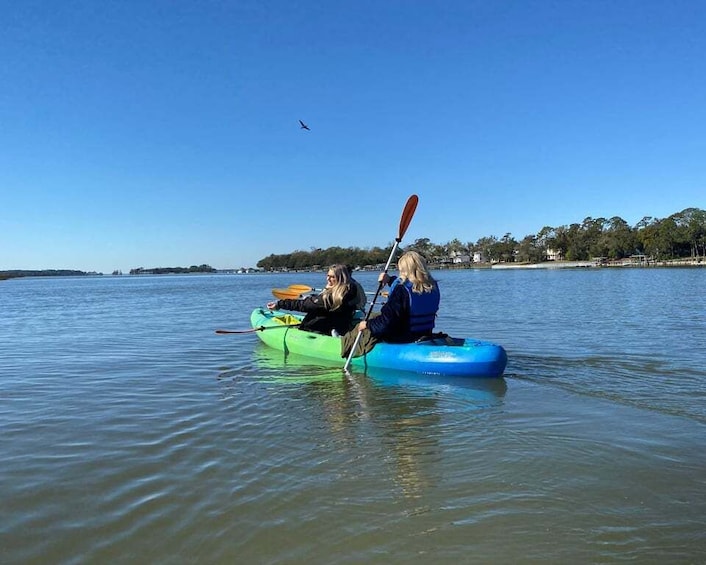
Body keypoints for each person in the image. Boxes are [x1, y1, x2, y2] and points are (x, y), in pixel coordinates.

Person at [355, 251, 440, 344]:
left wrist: (368, 324)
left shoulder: (401, 290)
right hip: (426, 333)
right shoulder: (432, 286)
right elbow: (409, 290)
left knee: (365, 322)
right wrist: (390, 280)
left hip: (402, 338)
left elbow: (386, 323)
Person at [267, 264, 358, 336]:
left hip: (319, 329)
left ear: (340, 278)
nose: (328, 279)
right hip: (341, 326)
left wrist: (279, 304)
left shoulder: (330, 297)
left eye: (332, 277)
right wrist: (317, 296)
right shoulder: (350, 290)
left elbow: (303, 305)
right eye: (328, 276)